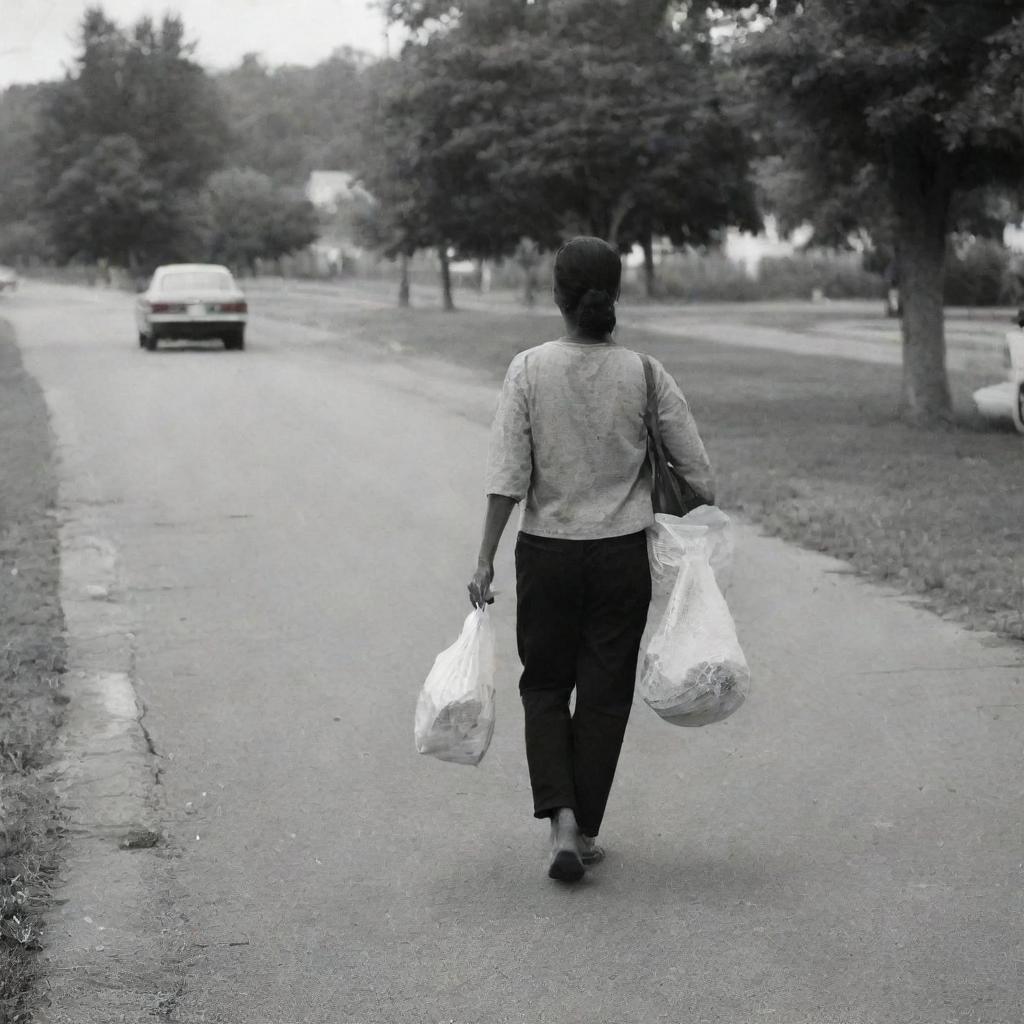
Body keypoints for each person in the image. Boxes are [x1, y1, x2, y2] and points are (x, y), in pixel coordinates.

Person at [467, 236, 715, 883]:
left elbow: (507, 476)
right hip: (619, 558)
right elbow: (700, 475)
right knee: (604, 695)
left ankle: (562, 825)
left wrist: (485, 559)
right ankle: (586, 825)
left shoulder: (527, 370)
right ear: (614, 295)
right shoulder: (643, 373)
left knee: (545, 686)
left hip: (545, 553)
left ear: (557, 296)